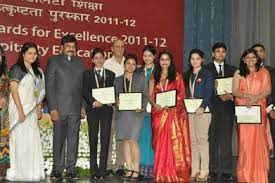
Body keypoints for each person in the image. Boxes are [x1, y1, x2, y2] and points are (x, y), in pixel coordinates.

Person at [46, 34, 86, 180]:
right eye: (68, 46)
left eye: (73, 46)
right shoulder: (54, 61)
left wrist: (83, 106)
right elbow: (49, 86)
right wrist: (52, 107)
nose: (71, 49)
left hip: (75, 109)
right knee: (59, 139)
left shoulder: (80, 63)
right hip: (59, 109)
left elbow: (83, 87)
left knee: (73, 140)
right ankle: (57, 168)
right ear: (62, 47)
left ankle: (71, 169)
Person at [150, 50, 191, 182]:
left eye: (167, 59)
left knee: (173, 143)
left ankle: (174, 172)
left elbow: (182, 95)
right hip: (159, 113)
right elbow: (150, 96)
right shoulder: (154, 77)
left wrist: (172, 103)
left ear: (171, 61)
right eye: (162, 59)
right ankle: (161, 173)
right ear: (159, 61)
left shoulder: (177, 76)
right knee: (161, 144)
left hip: (173, 115)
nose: (164, 62)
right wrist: (155, 104)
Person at [6, 42, 45, 181]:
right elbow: (14, 90)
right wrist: (21, 111)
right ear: (23, 54)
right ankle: (19, 172)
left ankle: (32, 172)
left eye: (35, 53)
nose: (32, 56)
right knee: (20, 141)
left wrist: (39, 108)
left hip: (32, 112)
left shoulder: (38, 72)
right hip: (19, 111)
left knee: (31, 141)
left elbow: (40, 93)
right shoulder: (17, 69)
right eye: (29, 53)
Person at [232, 48, 271, 183]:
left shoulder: (264, 72)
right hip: (244, 111)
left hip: (258, 110)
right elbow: (235, 92)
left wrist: (255, 99)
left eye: (253, 57)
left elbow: (267, 90)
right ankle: (245, 175)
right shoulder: (238, 72)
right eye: (247, 57)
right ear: (243, 59)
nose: (250, 60)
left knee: (260, 142)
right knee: (245, 143)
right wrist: (248, 97)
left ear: (257, 59)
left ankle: (260, 174)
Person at [204, 42, 237, 182]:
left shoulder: (234, 70)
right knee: (211, 140)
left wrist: (232, 96)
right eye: (218, 51)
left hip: (228, 109)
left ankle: (226, 170)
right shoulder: (205, 69)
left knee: (226, 141)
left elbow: (239, 90)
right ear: (212, 54)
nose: (221, 54)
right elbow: (202, 89)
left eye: (223, 51)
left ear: (226, 53)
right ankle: (212, 169)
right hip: (211, 109)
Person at [114, 54, 148, 179]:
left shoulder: (141, 78)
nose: (131, 66)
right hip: (122, 114)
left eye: (133, 64)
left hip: (136, 114)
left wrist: (142, 107)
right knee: (125, 141)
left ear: (136, 66)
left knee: (133, 140)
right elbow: (115, 96)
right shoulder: (117, 80)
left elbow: (145, 96)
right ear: (124, 65)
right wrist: (116, 101)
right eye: (128, 63)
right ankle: (128, 168)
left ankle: (136, 169)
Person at [82, 48, 115, 179]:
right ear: (92, 60)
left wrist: (111, 100)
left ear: (104, 59)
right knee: (93, 138)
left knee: (106, 138)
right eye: (96, 58)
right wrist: (94, 102)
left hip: (107, 110)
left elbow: (114, 91)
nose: (99, 60)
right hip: (93, 109)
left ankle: (102, 169)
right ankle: (93, 168)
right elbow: (84, 91)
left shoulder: (111, 74)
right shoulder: (87, 74)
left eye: (101, 57)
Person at [184, 49, 214, 181]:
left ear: (202, 59)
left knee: (202, 140)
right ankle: (195, 169)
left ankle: (204, 170)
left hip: (203, 111)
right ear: (189, 60)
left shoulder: (207, 74)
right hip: (190, 111)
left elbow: (208, 92)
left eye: (197, 58)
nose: (194, 61)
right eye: (192, 58)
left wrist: (202, 106)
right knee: (193, 140)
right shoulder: (187, 75)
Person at [103, 38, 126, 175]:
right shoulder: (107, 63)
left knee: (121, 136)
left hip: (125, 106)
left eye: (122, 46)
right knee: (109, 134)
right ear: (112, 48)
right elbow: (104, 86)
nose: (120, 49)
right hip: (110, 105)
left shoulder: (127, 62)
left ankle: (119, 165)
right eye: (117, 46)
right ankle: (107, 165)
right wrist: (113, 99)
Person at [135, 45, 156, 179]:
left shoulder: (159, 71)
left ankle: (153, 168)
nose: (147, 58)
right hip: (140, 110)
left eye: (150, 56)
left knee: (152, 140)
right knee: (141, 139)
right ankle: (141, 170)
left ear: (154, 57)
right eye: (145, 56)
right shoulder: (137, 72)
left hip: (155, 110)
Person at [252, 43, 275, 157]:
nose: (258, 53)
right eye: (255, 51)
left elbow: (273, 91)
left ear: (264, 54)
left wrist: (271, 108)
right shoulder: (244, 71)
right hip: (251, 109)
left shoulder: (271, 70)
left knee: (270, 139)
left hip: (269, 109)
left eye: (261, 51)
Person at [0, 46, 9, 179]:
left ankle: (2, 170)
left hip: (3, 111)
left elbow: (9, 90)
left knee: (3, 139)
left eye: (0, 55)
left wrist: (4, 98)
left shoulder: (6, 73)